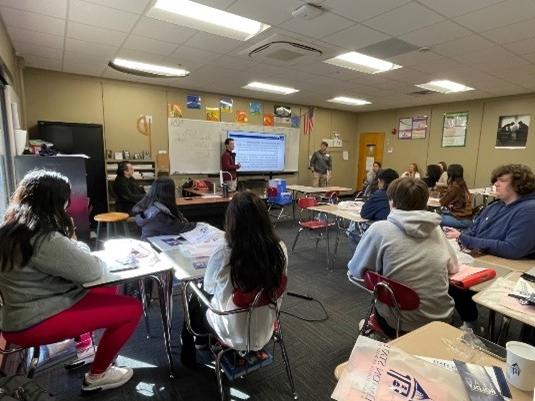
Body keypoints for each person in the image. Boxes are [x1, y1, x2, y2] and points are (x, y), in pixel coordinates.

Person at [0, 170, 142, 392]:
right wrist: (77, 244)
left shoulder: (11, 231)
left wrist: (73, 247)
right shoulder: (44, 238)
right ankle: (98, 376)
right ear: (55, 201)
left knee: (109, 288)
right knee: (132, 309)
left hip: (20, 312)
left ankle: (86, 349)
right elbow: (92, 270)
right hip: (36, 319)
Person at [181, 191, 287, 366]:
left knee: (194, 295)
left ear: (232, 221)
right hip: (266, 327)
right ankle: (200, 344)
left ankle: (192, 350)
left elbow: (208, 287)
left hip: (231, 331)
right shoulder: (280, 248)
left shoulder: (224, 251)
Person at [348, 177, 459, 336]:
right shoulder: (435, 230)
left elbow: (355, 271)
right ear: (425, 202)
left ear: (391, 202)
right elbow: (454, 267)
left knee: (380, 294)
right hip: (443, 319)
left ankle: (374, 332)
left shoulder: (380, 229)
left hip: (399, 324)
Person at [445, 164, 535, 259]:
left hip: (508, 264)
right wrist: (458, 237)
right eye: (496, 180)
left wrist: (465, 239)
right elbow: (473, 230)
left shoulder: (529, 210)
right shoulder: (495, 206)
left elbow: (512, 249)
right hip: (482, 255)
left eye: (502, 181)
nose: (496, 184)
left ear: (519, 185)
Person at [347, 168, 399, 252]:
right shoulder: (401, 194)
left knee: (352, 230)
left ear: (382, 182)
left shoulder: (379, 195)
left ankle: (360, 262)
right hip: (398, 233)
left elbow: (364, 213)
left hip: (383, 233)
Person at [439, 164, 473, 229]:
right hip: (467, 218)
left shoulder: (455, 187)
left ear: (450, 173)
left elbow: (442, 202)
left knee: (434, 218)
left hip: (461, 219)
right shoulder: (462, 184)